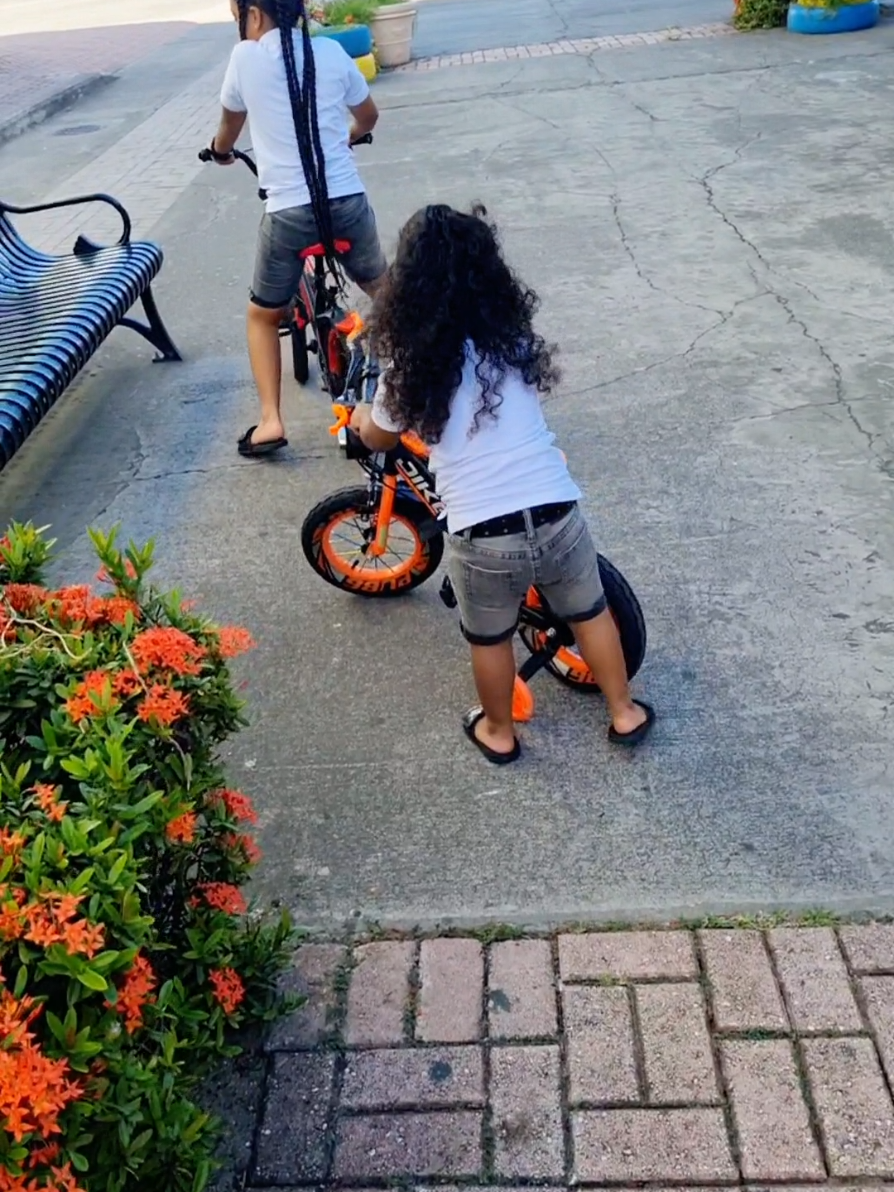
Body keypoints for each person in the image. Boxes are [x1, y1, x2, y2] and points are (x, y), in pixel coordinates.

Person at [350, 204, 655, 764]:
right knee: (590, 613)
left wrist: (359, 424)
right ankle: (624, 712)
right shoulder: (511, 338)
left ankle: (498, 731)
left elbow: (379, 436)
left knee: (488, 639)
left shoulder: (408, 364)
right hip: (557, 510)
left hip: (484, 533)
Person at [207, 0, 387, 457]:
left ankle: (270, 421)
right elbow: (368, 116)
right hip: (346, 203)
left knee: (263, 315)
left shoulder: (245, 58)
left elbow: (228, 129)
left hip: (288, 213)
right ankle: (416, 387)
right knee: (390, 295)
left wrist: (220, 150)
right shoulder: (328, 54)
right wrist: (348, 136)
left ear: (252, 15)